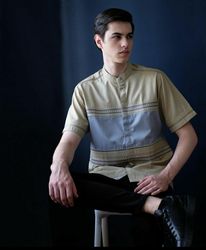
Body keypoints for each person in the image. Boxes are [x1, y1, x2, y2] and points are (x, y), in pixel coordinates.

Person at [48, 7, 198, 247]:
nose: (125, 43)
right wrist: (58, 167)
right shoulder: (84, 90)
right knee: (61, 183)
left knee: (144, 231)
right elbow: (69, 140)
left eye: (129, 36)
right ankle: (159, 206)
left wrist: (165, 175)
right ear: (99, 41)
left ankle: (156, 204)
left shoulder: (155, 79)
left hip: (152, 176)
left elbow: (189, 136)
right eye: (116, 37)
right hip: (107, 178)